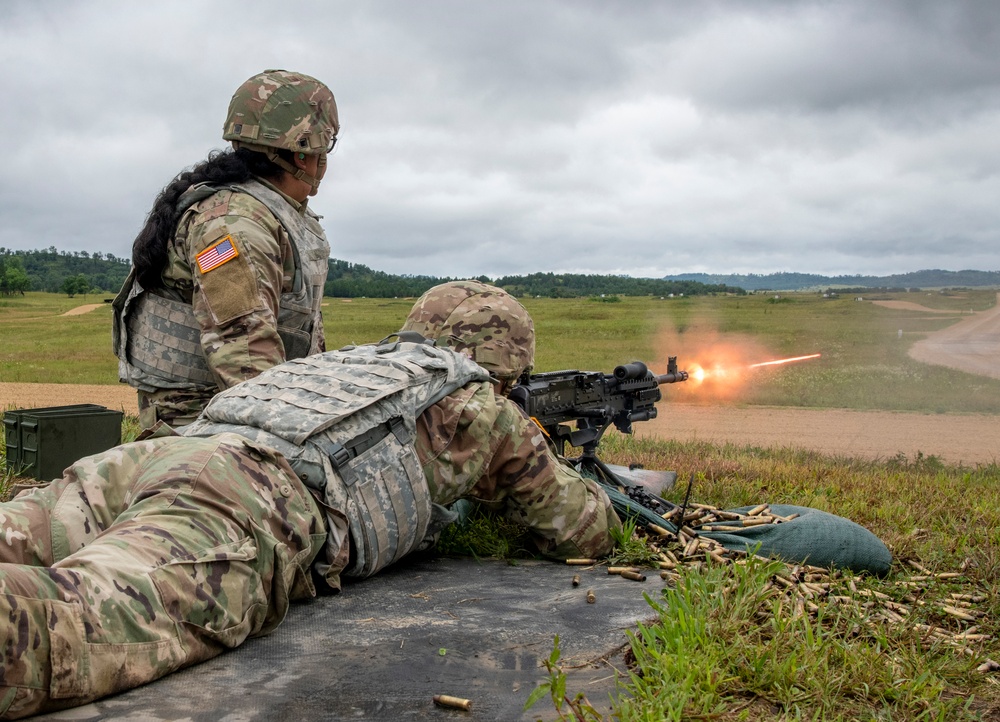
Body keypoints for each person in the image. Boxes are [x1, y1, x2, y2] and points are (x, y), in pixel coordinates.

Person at [0, 281, 620, 719]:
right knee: (72, 625)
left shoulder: (353, 364)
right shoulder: (481, 405)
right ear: (506, 362)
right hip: (245, 495)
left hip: (150, 457)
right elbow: (583, 531)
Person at [113, 69, 339, 430]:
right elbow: (245, 359)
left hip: (245, 407)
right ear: (302, 154)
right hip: (198, 423)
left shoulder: (276, 212)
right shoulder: (234, 225)